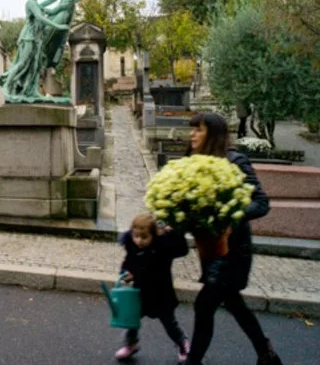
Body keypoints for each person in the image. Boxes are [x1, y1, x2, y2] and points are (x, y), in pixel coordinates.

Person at [184, 112, 282, 365]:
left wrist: (228, 215)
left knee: (204, 305)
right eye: (192, 129)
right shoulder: (191, 163)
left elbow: (261, 203)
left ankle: (193, 360)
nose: (192, 134)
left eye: (199, 130)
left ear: (213, 134)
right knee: (233, 303)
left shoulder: (235, 161)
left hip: (233, 251)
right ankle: (267, 353)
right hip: (210, 249)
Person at [115, 213, 190, 363]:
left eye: (144, 237)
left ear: (153, 235)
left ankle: (182, 343)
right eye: (136, 236)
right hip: (141, 292)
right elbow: (129, 262)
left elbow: (182, 249)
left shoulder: (163, 247)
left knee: (170, 323)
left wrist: (176, 232)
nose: (139, 241)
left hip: (161, 294)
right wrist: (126, 273)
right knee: (132, 320)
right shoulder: (133, 247)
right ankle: (131, 344)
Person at [0, 0, 68, 103]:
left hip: (37, 38)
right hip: (28, 37)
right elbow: (40, 17)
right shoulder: (30, 3)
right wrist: (57, 26)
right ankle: (7, 87)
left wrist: (64, 5)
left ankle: (31, 90)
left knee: (35, 66)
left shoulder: (37, 4)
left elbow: (50, 11)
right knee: (23, 63)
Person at [39, 0, 83, 70]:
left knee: (52, 27)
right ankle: (43, 52)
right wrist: (39, 5)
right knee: (44, 25)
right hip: (58, 9)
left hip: (67, 10)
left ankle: (43, 51)